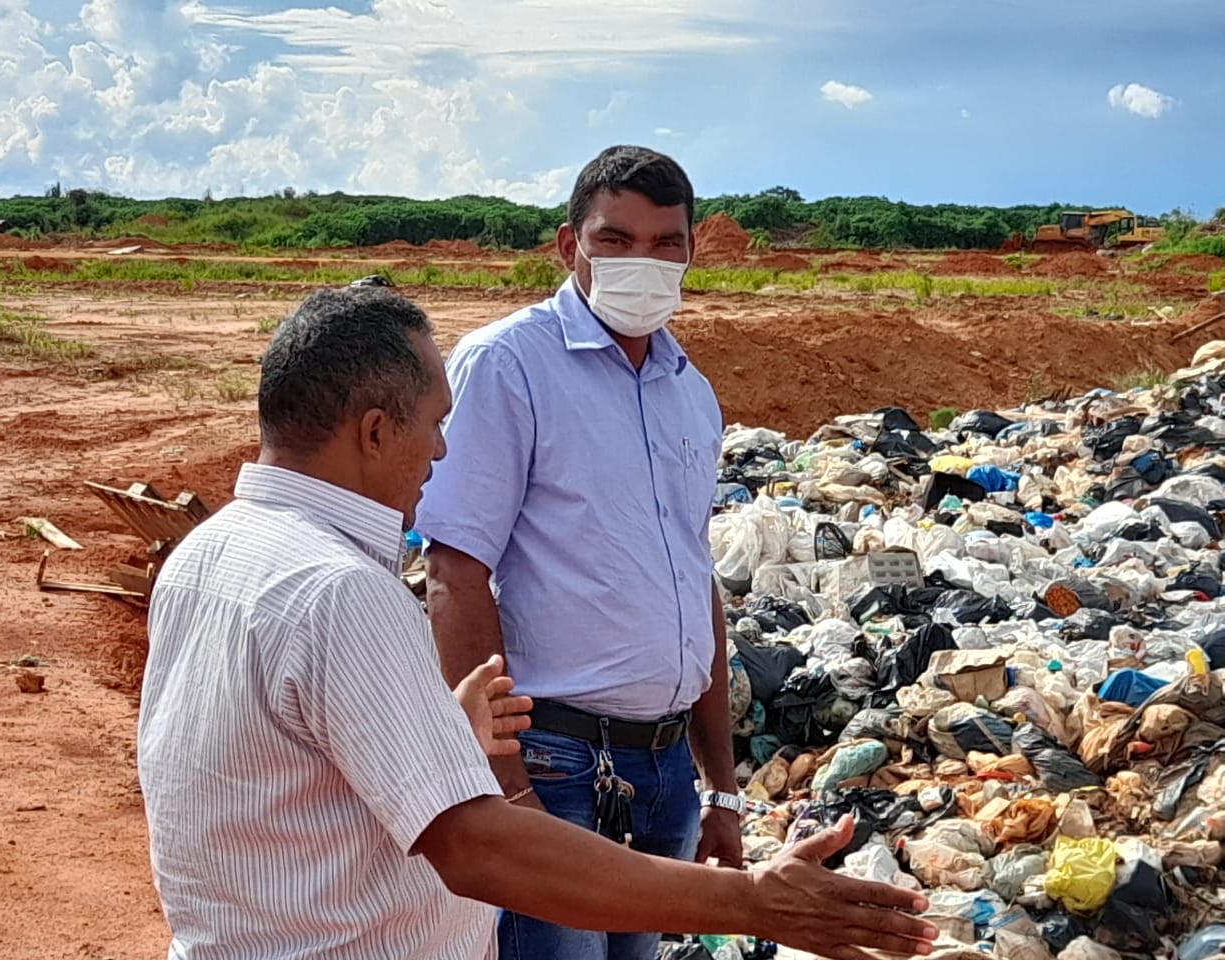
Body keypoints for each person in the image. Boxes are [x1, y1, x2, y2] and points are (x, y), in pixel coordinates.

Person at [137, 285, 939, 960]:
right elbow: (478, 848)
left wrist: (434, 730)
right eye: (433, 422)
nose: (444, 450)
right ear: (376, 431)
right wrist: (755, 902)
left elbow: (270, 773)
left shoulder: (210, 554)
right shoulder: (338, 591)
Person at [416, 144, 741, 959]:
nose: (645, 262)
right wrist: (507, 786)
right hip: (554, 765)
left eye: (667, 243)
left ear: (693, 252)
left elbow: (694, 582)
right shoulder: (510, 366)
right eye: (616, 240)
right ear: (570, 247)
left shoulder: (689, 392)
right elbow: (455, 572)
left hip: (665, 775)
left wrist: (723, 789)